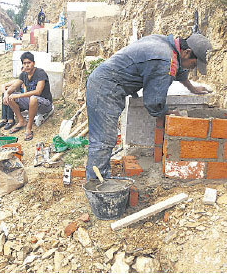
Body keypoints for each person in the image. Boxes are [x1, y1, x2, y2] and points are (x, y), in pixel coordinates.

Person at [85, 33, 212, 180]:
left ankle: (101, 176)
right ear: (187, 52)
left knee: (105, 137)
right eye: (194, 64)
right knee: (104, 139)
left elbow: (179, 69)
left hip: (104, 82)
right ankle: (96, 185)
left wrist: (193, 88)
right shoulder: (165, 60)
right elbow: (153, 102)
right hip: (104, 89)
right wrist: (168, 113)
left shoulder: (166, 45)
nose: (192, 68)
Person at [3, 52, 53, 141]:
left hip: (45, 104)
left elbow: (38, 91)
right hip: (30, 102)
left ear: (33, 63)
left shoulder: (40, 73)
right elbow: (14, 86)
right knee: (10, 97)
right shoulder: (23, 74)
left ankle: (29, 128)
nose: (27, 65)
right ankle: (21, 121)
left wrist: (18, 96)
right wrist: (6, 94)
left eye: (29, 63)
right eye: (24, 63)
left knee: (33, 98)